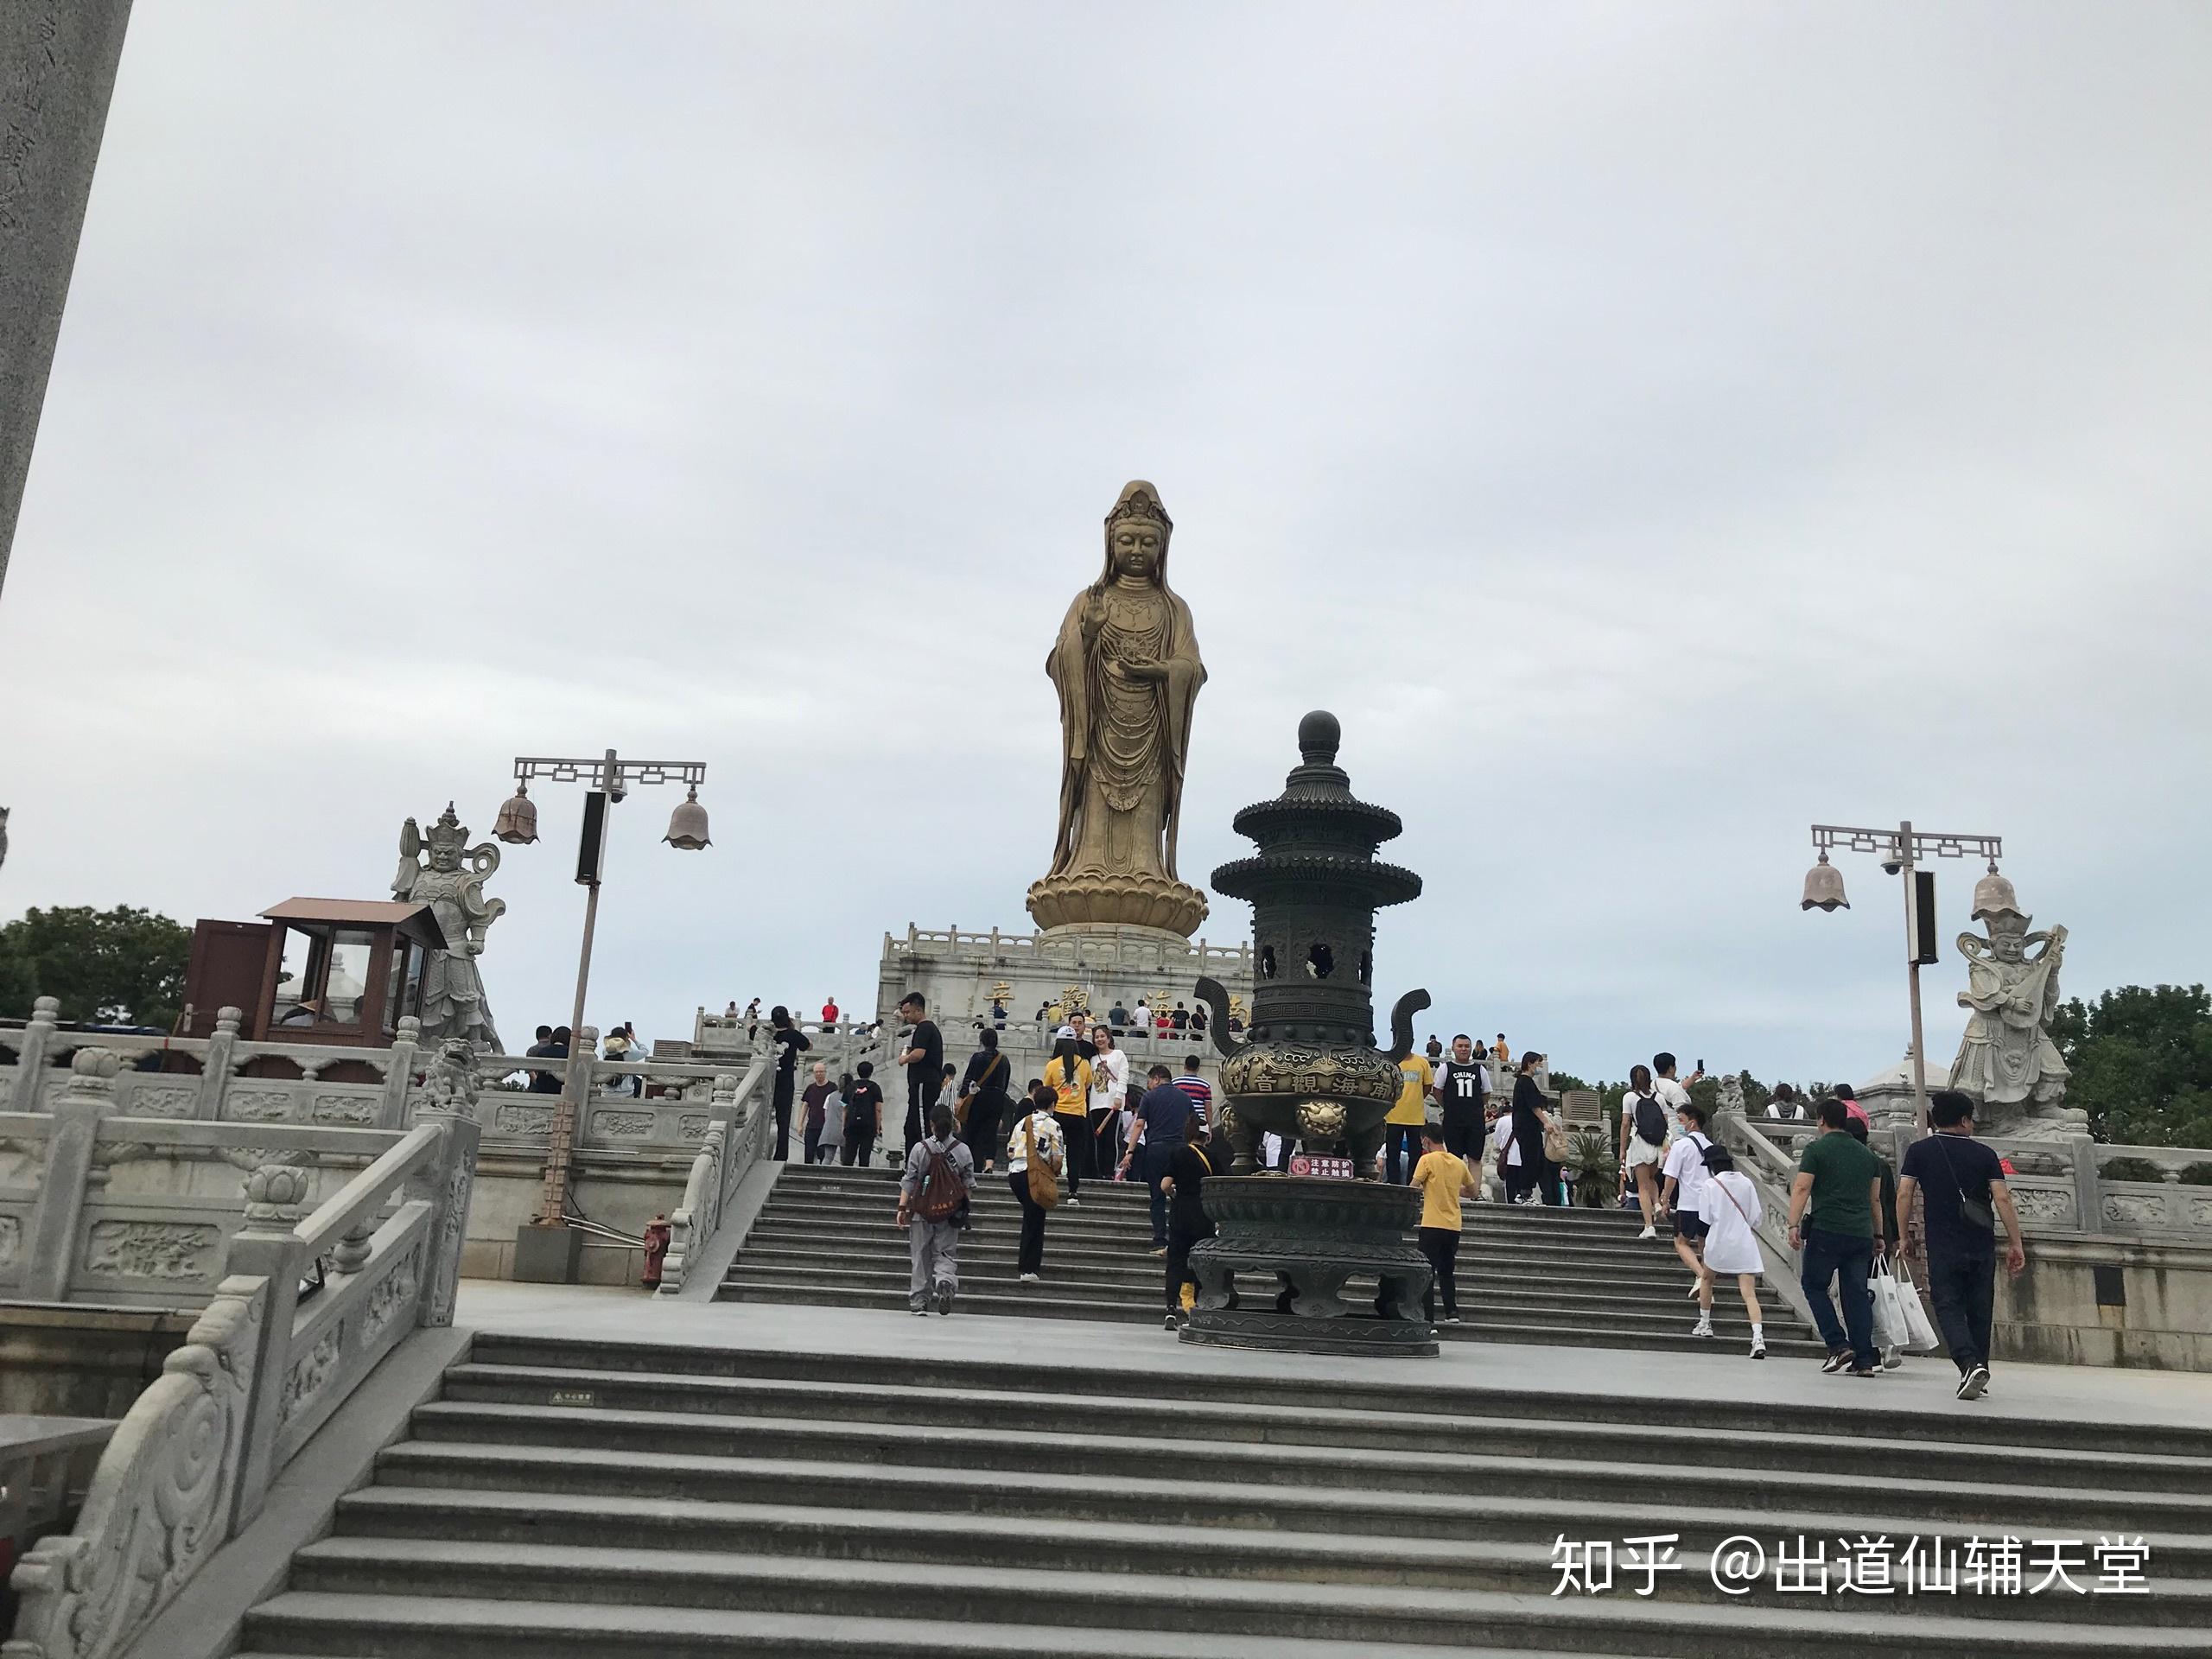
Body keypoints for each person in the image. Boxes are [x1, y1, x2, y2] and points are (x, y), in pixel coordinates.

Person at [1897, 1089, 2026, 1402]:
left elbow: (1904, 1194)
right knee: (1980, 1307)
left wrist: (1903, 1236)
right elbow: (2002, 1198)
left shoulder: (1920, 1151)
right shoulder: (1985, 1154)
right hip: (1980, 1242)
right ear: (1966, 1120)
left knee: (1948, 1305)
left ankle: (1969, 1364)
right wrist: (2015, 1243)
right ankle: (1978, 1366)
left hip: (1943, 1243)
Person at [1787, 1095, 1885, 1376]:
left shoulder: (1817, 1150)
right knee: (1855, 1295)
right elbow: (1875, 1200)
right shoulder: (1869, 1156)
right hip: (1860, 1234)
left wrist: (1793, 1224)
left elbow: (1803, 1188)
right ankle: (1865, 1360)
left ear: (1821, 1120)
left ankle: (1837, 1344)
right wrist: (1878, 1234)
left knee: (1814, 1285)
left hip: (1827, 1229)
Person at [897, 1106, 976, 1315]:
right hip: (950, 1212)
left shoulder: (919, 1149)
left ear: (931, 1124)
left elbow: (909, 1180)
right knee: (944, 1253)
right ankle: (945, 1281)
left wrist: (902, 1207)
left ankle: (920, 1301)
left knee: (920, 1255)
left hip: (922, 1211)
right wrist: (964, 1210)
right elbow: (967, 1185)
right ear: (952, 1124)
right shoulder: (963, 1150)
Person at [1841, 1115, 1904, 1368]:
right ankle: (1886, 1344)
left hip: (1859, 1233)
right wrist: (1896, 1237)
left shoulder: (1848, 1164)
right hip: (1882, 1236)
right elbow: (1890, 1204)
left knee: (1858, 1294)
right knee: (1879, 1290)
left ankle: (1867, 1349)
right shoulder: (1881, 1164)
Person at [1697, 1143, 1769, 1358]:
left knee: (1707, 1280)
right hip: (1744, 1242)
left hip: (1719, 1241)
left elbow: (1704, 1220)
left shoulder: (1710, 1185)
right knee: (1749, 1293)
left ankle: (1705, 1323)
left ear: (1711, 1166)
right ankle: (1757, 1338)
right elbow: (1756, 1217)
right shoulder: (1746, 1183)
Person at [1411, 1122, 1481, 1325]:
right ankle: (1452, 1312)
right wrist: (1452, 1189)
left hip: (1432, 1223)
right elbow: (1473, 1192)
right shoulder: (1458, 1163)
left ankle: (1428, 1318)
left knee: (1427, 1271)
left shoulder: (1427, 1160)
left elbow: (1413, 1187)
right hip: (1453, 1225)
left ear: (1426, 1139)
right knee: (1447, 1271)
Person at [1658, 1099, 1717, 1335]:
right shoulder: (1711, 1146)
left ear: (1692, 1123)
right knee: (1704, 1245)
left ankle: (1703, 1278)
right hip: (1710, 1204)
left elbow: (1671, 1176)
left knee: (1681, 1242)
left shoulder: (1682, 1146)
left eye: (1681, 1120)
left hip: (1689, 1203)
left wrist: (1665, 1199)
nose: (1679, 1125)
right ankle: (1705, 1282)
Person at [1120, 1063, 1194, 1251]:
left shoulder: (1149, 1097)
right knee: (1182, 1194)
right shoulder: (1185, 1098)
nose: (1148, 1086)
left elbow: (1139, 1125)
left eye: (1149, 1082)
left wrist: (1129, 1152)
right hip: (1180, 1149)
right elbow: (1193, 1123)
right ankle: (1181, 1236)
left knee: (1157, 1196)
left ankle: (1160, 1238)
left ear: (1156, 1079)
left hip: (1156, 1149)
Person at [1157, 1119, 1219, 1329]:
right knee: (1201, 1260)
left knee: (1175, 1260)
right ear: (1207, 1137)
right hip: (1205, 1213)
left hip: (1181, 1211)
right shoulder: (1214, 1158)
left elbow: (1165, 1185)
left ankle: (1170, 1310)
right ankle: (1198, 1308)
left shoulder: (1178, 1153)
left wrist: (1175, 1193)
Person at [1005, 1088, 1065, 1282]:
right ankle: (1028, 1268)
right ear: (1052, 1104)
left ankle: (1027, 1266)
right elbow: (1057, 1158)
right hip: (1035, 1176)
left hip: (1015, 1174)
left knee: (1031, 1215)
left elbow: (1010, 1150)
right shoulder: (1053, 1125)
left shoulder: (1023, 1122)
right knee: (1035, 1220)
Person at [1618, 1062, 1669, 1240]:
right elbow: (1666, 1123)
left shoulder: (1629, 1097)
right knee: (1652, 1178)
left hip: (1640, 1143)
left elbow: (1626, 1124)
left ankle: (1649, 1226)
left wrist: (1622, 1149)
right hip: (1657, 1145)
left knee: (1642, 1187)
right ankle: (1656, 1204)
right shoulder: (1659, 1098)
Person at [1504, 1053, 1561, 1205]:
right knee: (1530, 1159)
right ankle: (1524, 1193)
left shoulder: (1525, 1082)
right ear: (1530, 1064)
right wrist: (1546, 1122)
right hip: (1526, 1126)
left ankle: (1526, 1192)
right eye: (1538, 1063)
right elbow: (1534, 1106)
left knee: (1535, 1160)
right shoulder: (1525, 1081)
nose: (1539, 1067)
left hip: (1528, 1126)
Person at [1044, 1031, 1093, 1204]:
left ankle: (1048, 1186)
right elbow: (1087, 1085)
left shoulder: (1052, 1065)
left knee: (1051, 1152)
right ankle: (1073, 1192)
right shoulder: (1085, 1064)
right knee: (1074, 1155)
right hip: (1078, 1115)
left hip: (1057, 1114)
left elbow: (1047, 1089)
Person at [957, 1027, 1012, 1175]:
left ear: (981, 1041)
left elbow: (969, 1079)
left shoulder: (978, 1057)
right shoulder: (1004, 1060)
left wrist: (962, 1097)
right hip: (997, 1100)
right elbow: (1005, 1083)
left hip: (979, 1098)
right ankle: (989, 1164)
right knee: (990, 1132)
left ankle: (973, 1164)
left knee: (973, 1131)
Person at [895, 993, 942, 1154]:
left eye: (908, 1012)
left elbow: (919, 1054)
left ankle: (926, 1161)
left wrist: (904, 1059)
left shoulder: (925, 1028)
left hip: (924, 1082)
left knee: (922, 1125)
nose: (906, 1016)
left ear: (918, 1011)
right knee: (911, 1126)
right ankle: (912, 1164)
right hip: (920, 1084)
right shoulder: (925, 1029)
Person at [1433, 1034, 1488, 1170]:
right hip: (1453, 1120)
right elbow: (1437, 1091)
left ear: (1471, 1049)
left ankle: (1474, 1190)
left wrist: (1475, 1107)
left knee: (1475, 1158)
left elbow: (1486, 1093)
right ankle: (1454, 1189)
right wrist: (1448, 1105)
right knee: (1453, 1158)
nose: (1463, 1049)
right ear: (1453, 1048)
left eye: (1467, 1046)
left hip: (1475, 1121)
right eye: (1460, 1046)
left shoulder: (1480, 1069)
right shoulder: (1445, 1068)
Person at [1385, 1043, 1434, 1184]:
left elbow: (1427, 1086)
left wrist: (1416, 1100)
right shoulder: (1391, 1062)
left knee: (1416, 1154)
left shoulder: (1422, 1063)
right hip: (1393, 1116)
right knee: (1392, 1154)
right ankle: (1393, 1183)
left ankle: (1412, 1184)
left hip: (1416, 1118)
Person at [767, 1006, 810, 1162]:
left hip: (766, 1081)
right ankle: (780, 1156)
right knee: (783, 1121)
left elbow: (751, 1031)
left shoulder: (766, 1033)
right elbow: (808, 1046)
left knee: (763, 1118)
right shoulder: (793, 1034)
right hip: (785, 1082)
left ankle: (763, 1151)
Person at [1088, 1027, 1130, 1176]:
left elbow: (1123, 1076)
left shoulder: (1118, 1055)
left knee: (1110, 1138)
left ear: (1109, 1038)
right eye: (1097, 1037)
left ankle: (1109, 1170)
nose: (1100, 1039)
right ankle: (1098, 1171)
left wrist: (1119, 1096)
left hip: (1113, 1103)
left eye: (1102, 1036)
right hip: (1095, 1103)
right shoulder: (1093, 1059)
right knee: (1098, 1139)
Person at [840, 1061, 885, 1167]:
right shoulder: (875, 1087)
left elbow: (844, 1107)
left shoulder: (850, 1086)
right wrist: (878, 1127)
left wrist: (843, 1125)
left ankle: (846, 1180)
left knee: (849, 1156)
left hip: (851, 1124)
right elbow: (878, 1109)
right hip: (868, 1125)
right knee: (865, 1157)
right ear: (871, 1072)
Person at [799, 1061, 836, 1166]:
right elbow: (805, 1106)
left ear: (825, 1072)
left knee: (823, 1155)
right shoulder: (810, 1088)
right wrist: (800, 1124)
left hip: (826, 1127)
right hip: (811, 1126)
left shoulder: (832, 1087)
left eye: (821, 1072)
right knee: (809, 1154)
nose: (819, 1074)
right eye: (816, 1072)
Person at [1173, 1056, 1212, 1132]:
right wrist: (1209, 1129)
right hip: (1198, 1124)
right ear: (1198, 1068)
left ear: (1184, 1066)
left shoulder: (1175, 1083)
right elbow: (1208, 1109)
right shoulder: (1205, 1085)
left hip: (1178, 1123)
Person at [524, 1025, 560, 1093]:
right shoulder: (555, 1049)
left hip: (535, 1089)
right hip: (554, 1088)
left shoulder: (531, 1050)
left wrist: (539, 1084)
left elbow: (531, 1072)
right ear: (550, 1035)